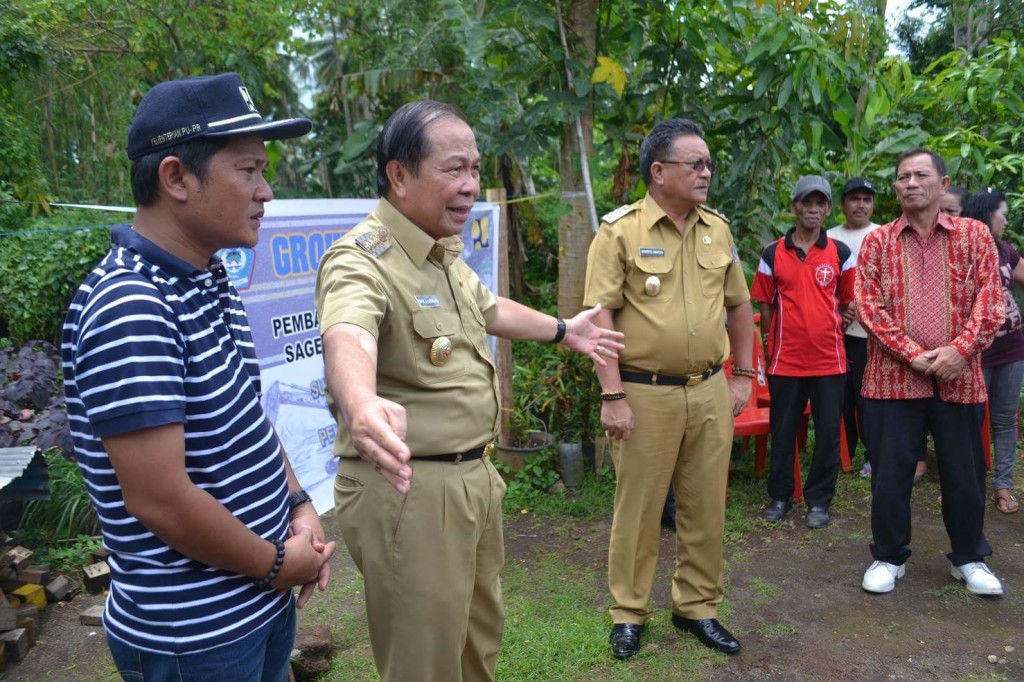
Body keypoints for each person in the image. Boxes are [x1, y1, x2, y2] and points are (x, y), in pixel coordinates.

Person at [314, 100, 623, 682]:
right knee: (424, 663)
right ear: (399, 175)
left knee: (477, 639)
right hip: (413, 492)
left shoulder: (440, 252)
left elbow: (489, 308)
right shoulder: (362, 259)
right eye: (454, 169)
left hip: (472, 480)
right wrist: (358, 403)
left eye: (475, 169)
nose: (470, 185)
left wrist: (565, 330)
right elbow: (347, 330)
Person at [62, 72, 335, 681]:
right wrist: (273, 564)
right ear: (176, 177)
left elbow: (248, 418)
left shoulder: (210, 280)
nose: (266, 190)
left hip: (257, 606)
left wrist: (299, 507)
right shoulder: (130, 305)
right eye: (248, 171)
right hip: (196, 637)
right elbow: (159, 496)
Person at [583, 118, 753, 658]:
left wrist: (744, 375)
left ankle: (697, 608)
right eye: (695, 164)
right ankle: (628, 612)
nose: (706, 172)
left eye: (708, 163)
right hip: (643, 392)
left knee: (705, 507)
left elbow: (739, 304)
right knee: (639, 509)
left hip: (707, 389)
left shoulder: (717, 229)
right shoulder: (620, 231)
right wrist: (612, 395)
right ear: (659, 172)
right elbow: (600, 316)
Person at [857, 148, 1005, 596]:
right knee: (890, 473)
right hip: (891, 378)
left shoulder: (974, 235)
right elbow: (866, 304)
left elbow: (990, 299)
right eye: (902, 177)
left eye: (921, 175)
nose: (910, 183)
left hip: (959, 377)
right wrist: (911, 353)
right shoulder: (878, 240)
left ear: (943, 184)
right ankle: (888, 556)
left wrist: (960, 350)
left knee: (964, 472)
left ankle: (968, 558)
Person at [752, 176, 855, 529]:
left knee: (827, 432)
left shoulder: (840, 252)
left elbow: (849, 300)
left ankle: (819, 501)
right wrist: (770, 341)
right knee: (783, 430)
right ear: (795, 206)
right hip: (786, 360)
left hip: (830, 360)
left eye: (820, 203)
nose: (813, 209)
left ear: (827, 209)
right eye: (806, 203)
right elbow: (764, 304)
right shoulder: (772, 253)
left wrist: (838, 320)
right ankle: (780, 497)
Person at [962, 188, 1022, 514]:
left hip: (1011, 349)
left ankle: (1002, 487)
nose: (1007, 219)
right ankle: (962, 484)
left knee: (1004, 420)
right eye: (1004, 212)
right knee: (967, 419)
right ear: (989, 214)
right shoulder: (962, 250)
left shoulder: (1005, 250)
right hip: (974, 352)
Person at [828, 177, 881, 478]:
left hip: (868, 333)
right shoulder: (829, 237)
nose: (861, 205)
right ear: (842, 204)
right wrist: (839, 307)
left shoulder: (882, 235)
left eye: (867, 199)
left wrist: (859, 304)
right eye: (854, 199)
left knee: (869, 396)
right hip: (835, 332)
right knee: (842, 396)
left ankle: (873, 455)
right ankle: (842, 452)